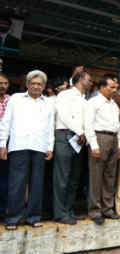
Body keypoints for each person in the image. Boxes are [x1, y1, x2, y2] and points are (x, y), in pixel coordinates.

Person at [0, 70, 54, 230]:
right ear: (27, 84)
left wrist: (50, 147)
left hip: (39, 146)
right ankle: (13, 218)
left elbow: (50, 127)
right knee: (16, 183)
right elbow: (6, 122)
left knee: (37, 183)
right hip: (19, 145)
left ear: (44, 86)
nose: (36, 86)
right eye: (33, 83)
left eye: (39, 84)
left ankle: (33, 217)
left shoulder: (48, 103)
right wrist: (2, 144)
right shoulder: (16, 99)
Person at [53, 71, 92, 225]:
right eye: (89, 80)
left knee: (74, 179)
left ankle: (68, 210)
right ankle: (59, 213)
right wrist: (80, 131)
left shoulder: (85, 99)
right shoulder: (65, 95)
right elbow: (64, 115)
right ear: (80, 80)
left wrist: (84, 135)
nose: (91, 83)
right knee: (62, 178)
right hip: (65, 135)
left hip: (80, 139)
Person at [85, 75, 120, 225]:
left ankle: (108, 209)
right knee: (96, 176)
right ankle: (95, 211)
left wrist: (119, 144)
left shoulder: (114, 104)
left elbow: (118, 126)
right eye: (111, 87)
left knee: (110, 176)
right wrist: (93, 145)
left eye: (116, 88)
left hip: (113, 139)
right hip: (100, 138)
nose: (114, 90)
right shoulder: (93, 102)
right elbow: (88, 124)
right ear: (101, 87)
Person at [0, 73, 10, 221]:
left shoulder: (12, 100)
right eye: (0, 83)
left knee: (4, 178)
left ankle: (2, 210)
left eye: (5, 83)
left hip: (5, 142)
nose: (2, 86)